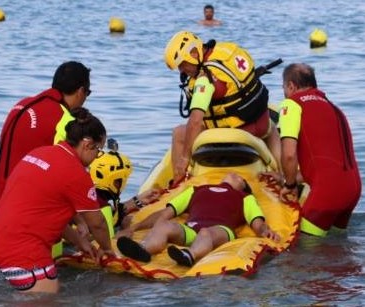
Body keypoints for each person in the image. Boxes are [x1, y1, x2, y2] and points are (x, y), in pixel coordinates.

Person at [0, 108, 114, 294]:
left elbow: (44, 212)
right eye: (98, 150)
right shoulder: (75, 173)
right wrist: (107, 249)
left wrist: (79, 241)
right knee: (49, 300)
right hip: (24, 255)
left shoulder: (40, 153)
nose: (96, 157)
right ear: (87, 144)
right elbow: (98, 224)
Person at [164, 31, 281, 185]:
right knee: (272, 129)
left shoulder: (204, 79)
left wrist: (185, 158)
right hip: (260, 124)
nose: (182, 71)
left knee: (179, 133)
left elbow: (196, 121)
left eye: (182, 65)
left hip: (234, 132)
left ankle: (178, 182)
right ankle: (282, 174)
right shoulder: (227, 51)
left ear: (193, 53)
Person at [116, 172, 280, 267]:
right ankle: (144, 249)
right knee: (164, 226)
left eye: (239, 177)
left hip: (221, 231)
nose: (233, 174)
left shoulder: (244, 197)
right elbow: (166, 213)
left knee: (205, 233)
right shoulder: (197, 190)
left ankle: (190, 255)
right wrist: (134, 228)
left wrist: (266, 231)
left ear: (243, 186)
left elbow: (257, 222)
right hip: (191, 229)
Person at [273, 63, 361, 236]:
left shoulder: (291, 105)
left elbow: (289, 154)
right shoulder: (333, 107)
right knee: (337, 245)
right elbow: (323, 162)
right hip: (353, 189)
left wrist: (289, 185)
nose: (284, 91)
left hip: (327, 193)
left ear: (291, 86)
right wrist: (287, 177)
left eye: (283, 87)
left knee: (305, 248)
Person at [0, 61, 92, 212]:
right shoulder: (65, 119)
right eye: (88, 93)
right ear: (80, 91)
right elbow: (70, 173)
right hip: (25, 207)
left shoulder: (21, 105)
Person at [89, 140, 162, 231]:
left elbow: (112, 213)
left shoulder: (95, 195)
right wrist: (127, 228)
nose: (122, 184)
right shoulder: (100, 205)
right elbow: (102, 234)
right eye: (119, 180)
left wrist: (137, 201)